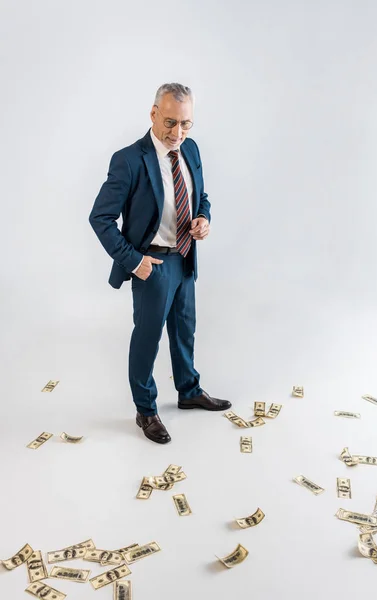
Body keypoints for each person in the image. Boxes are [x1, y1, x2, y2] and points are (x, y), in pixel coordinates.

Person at [89, 83, 231, 444]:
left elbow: (203, 197)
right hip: (152, 265)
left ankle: (189, 390)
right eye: (170, 123)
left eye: (186, 124)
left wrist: (203, 218)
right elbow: (100, 218)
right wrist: (135, 262)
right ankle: (146, 410)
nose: (178, 133)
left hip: (184, 259)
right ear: (153, 114)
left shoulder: (191, 149)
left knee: (185, 329)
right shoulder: (128, 160)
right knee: (147, 339)